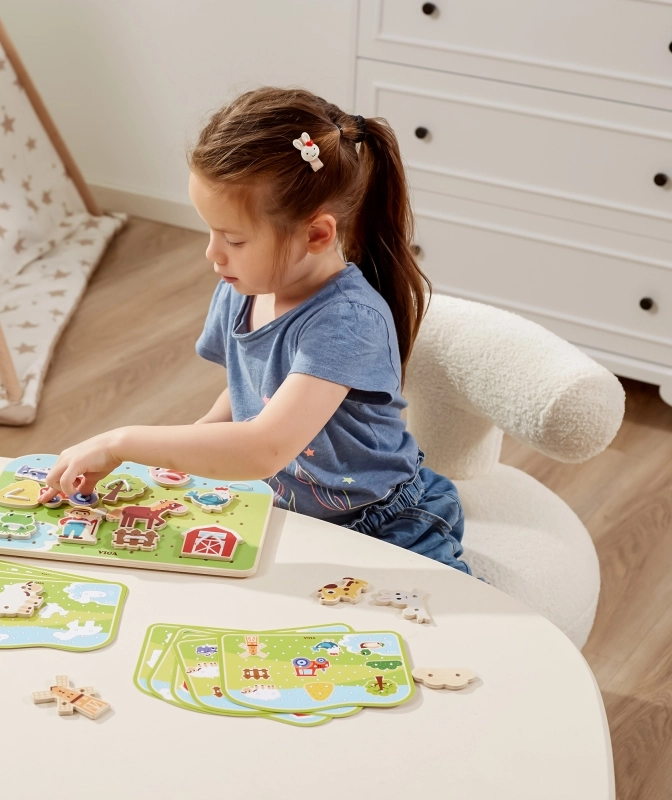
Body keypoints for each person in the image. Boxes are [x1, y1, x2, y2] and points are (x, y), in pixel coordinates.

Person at [40, 87, 470, 574]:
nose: (212, 253)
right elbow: (249, 390)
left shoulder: (349, 320)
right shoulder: (242, 287)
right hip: (285, 515)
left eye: (234, 238)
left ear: (316, 234)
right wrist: (182, 447)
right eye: (210, 231)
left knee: (437, 617)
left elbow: (265, 447)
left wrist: (121, 442)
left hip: (383, 521)